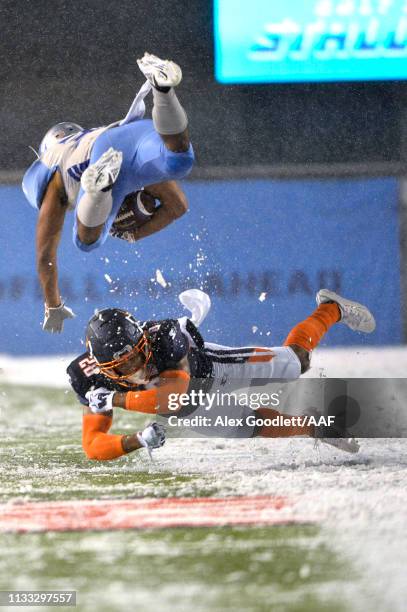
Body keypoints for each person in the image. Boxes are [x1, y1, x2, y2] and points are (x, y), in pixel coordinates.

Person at [67, 289, 376, 461]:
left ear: (143, 341)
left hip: (209, 369)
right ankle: (314, 426)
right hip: (190, 409)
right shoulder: (88, 378)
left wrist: (117, 399)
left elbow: (173, 396)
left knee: (294, 364)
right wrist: (136, 440)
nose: (135, 367)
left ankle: (331, 309)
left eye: (137, 354)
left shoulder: (162, 336)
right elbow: (93, 445)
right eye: (122, 366)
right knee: (253, 427)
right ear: (102, 367)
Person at [22, 53, 194, 333]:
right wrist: (136, 234)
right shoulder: (90, 135)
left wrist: (52, 305)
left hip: (99, 157)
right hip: (128, 133)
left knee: (87, 241)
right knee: (179, 160)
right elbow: (178, 206)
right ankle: (163, 91)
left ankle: (98, 191)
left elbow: (45, 255)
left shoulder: (53, 169)